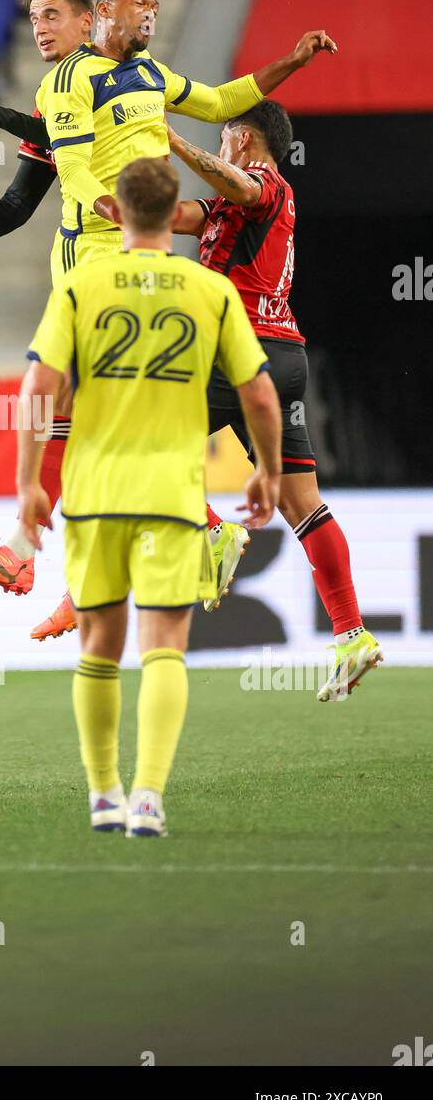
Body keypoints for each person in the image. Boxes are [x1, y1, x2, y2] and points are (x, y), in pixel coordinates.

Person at [0, 0, 337, 636]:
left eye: (153, 5)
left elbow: (217, 100)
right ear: (103, 16)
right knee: (73, 412)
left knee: (81, 410)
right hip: (95, 251)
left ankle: (73, 550)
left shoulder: (145, 73)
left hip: (111, 261)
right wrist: (94, 202)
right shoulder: (68, 80)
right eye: (138, 6)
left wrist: (288, 64)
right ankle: (48, 562)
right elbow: (65, 163)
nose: (149, 14)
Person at [16, 156, 282, 836]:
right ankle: (149, 798)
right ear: (176, 216)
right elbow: (256, 391)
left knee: (98, 644)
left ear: (114, 211)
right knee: (163, 645)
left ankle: (102, 793)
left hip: (95, 490)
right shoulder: (209, 288)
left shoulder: (81, 284)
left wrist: (26, 484)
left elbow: (38, 389)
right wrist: (268, 471)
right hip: (171, 492)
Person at [166, 103, 383, 702]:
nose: (220, 144)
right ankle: (352, 635)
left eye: (224, 135)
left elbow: (236, 181)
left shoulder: (264, 182)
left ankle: (213, 534)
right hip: (282, 359)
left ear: (243, 137)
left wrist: (174, 141)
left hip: (240, 348)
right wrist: (106, 198)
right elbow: (173, 215)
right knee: (302, 503)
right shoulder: (227, 207)